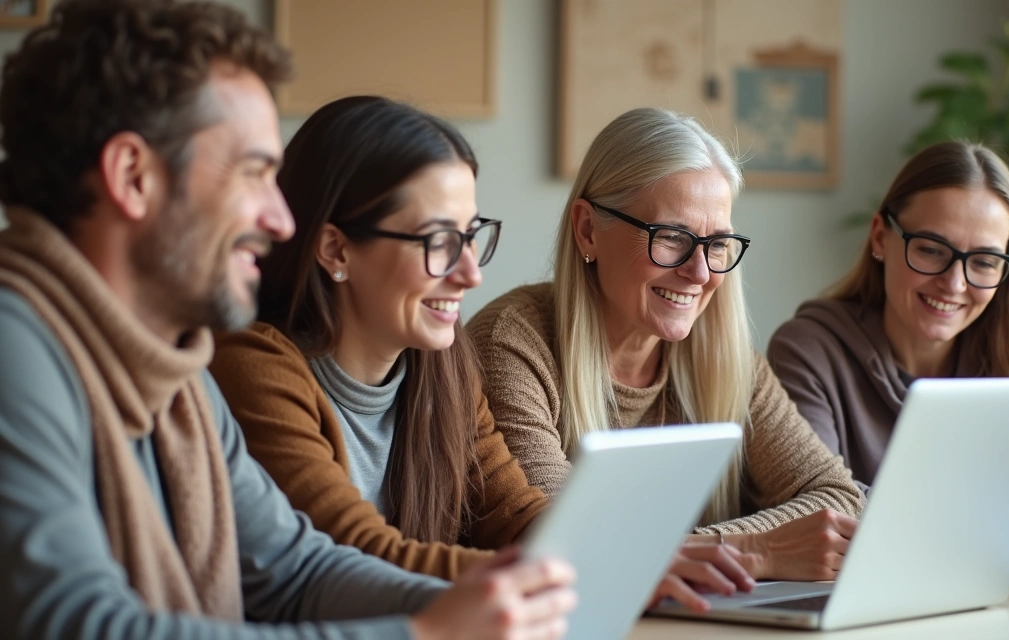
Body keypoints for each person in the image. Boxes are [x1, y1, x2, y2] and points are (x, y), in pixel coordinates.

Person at [0, 1, 575, 638]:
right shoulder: (16, 345)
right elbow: (76, 625)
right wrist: (425, 633)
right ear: (133, 177)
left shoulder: (176, 374)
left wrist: (492, 600)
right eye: (254, 175)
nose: (280, 221)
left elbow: (292, 569)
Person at [210, 95, 762, 611]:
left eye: (470, 236)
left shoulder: (443, 369)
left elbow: (518, 515)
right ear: (336, 249)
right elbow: (353, 551)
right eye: (438, 243)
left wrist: (616, 558)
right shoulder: (255, 367)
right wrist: (582, 570)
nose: (471, 273)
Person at [468, 107, 867, 583]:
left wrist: (700, 552)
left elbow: (838, 497)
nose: (700, 273)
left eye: (717, 245)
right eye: (672, 237)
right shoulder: (512, 344)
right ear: (588, 230)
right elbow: (564, 541)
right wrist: (753, 551)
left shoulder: (724, 357)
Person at [767, 140, 1009, 562]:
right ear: (881, 236)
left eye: (985, 262)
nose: (954, 284)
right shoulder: (809, 351)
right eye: (932, 250)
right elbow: (824, 510)